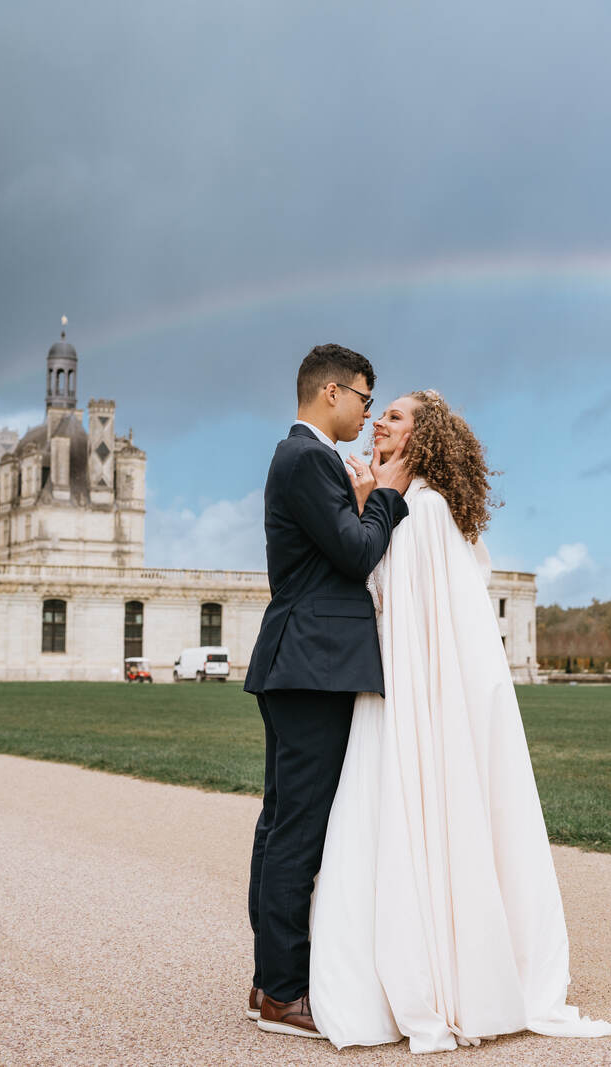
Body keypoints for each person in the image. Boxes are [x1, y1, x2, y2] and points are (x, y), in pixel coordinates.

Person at [308, 390, 611, 1052]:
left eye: (393, 416)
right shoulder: (424, 509)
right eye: (379, 412)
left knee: (397, 821)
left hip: (408, 698)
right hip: (408, 694)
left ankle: (432, 978)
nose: (378, 423)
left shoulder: (419, 510)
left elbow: (389, 604)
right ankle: (452, 967)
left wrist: (368, 506)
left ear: (420, 439)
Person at [244, 344, 414, 1039]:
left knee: (279, 821)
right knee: (298, 830)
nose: (368, 412)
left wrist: (364, 497)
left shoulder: (298, 458)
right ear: (334, 393)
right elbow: (353, 552)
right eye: (367, 399)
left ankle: (268, 977)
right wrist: (390, 500)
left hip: (296, 660)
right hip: (313, 664)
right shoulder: (309, 457)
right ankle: (285, 992)